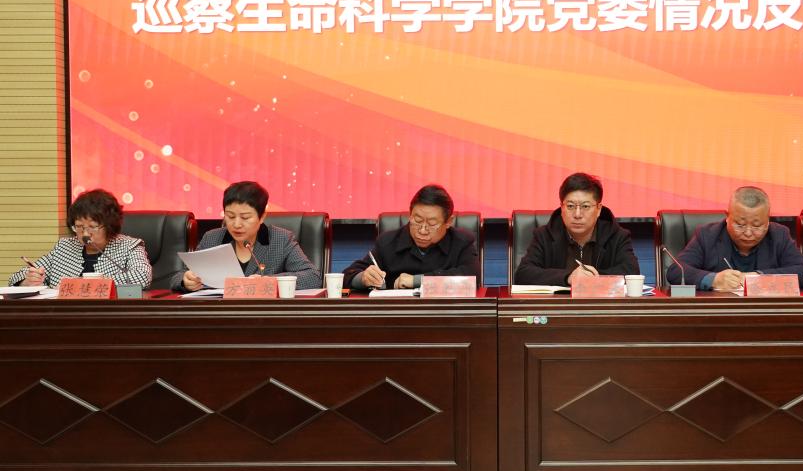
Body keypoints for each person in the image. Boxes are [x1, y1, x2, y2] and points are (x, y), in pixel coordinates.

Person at [172, 181, 321, 292]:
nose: (236, 224)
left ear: (262, 217)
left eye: (245, 217)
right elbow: (178, 277)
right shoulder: (212, 238)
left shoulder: (281, 239)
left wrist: (269, 282)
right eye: (230, 216)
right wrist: (186, 281)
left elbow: (312, 277)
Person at [666, 186, 803, 290]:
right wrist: (714, 279)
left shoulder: (779, 235)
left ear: (768, 222)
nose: (748, 233)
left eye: (757, 226)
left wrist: (757, 278)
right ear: (727, 218)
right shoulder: (707, 235)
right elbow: (676, 271)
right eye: (740, 225)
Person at [514, 172, 640, 286]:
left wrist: (590, 278)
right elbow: (523, 274)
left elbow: (632, 273)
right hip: (558, 304)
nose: (577, 214)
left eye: (585, 206)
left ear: (598, 209)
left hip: (600, 304)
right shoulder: (544, 235)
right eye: (570, 206)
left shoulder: (617, 236)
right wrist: (568, 277)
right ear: (562, 208)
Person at [345, 184, 479, 290]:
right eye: (417, 220)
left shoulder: (461, 242)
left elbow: (472, 277)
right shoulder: (388, 242)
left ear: (448, 222)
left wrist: (416, 280)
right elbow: (347, 275)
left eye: (432, 224)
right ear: (410, 215)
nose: (422, 230)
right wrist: (363, 278)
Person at [8, 189, 151, 288]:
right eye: (79, 226)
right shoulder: (64, 246)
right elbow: (16, 277)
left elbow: (142, 276)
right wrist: (28, 281)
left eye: (92, 226)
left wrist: (90, 284)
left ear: (109, 226)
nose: (85, 233)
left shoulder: (129, 246)